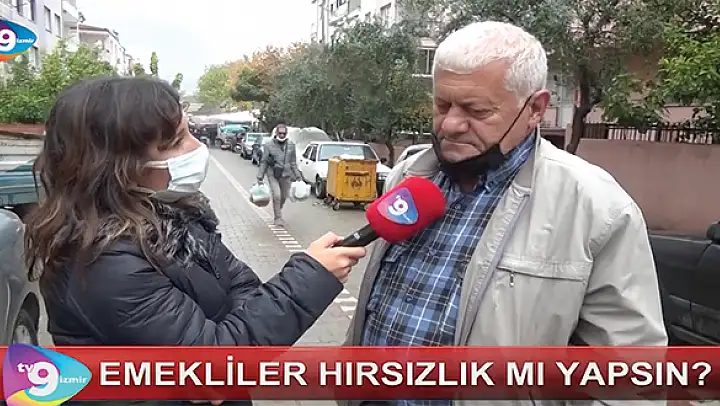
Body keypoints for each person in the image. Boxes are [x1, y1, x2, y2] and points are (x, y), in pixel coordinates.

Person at [341, 21, 667, 406]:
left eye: (476, 110)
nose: (450, 125)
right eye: (442, 105)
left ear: (535, 109)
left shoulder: (597, 208)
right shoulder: (408, 176)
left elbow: (629, 379)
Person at [24, 77, 365, 405]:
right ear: (116, 166)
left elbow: (244, 288)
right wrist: (311, 276)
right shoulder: (103, 262)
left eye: (189, 132)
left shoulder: (177, 216)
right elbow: (214, 371)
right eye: (175, 142)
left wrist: (225, 343)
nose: (197, 146)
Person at [256, 123, 302, 226]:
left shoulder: (291, 145)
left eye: (283, 133)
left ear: (286, 134)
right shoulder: (268, 145)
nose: (281, 135)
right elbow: (264, 161)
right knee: (277, 195)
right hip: (273, 174)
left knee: (283, 197)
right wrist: (260, 176)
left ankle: (278, 209)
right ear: (276, 133)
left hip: (286, 174)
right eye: (280, 133)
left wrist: (298, 175)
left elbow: (293, 162)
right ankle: (278, 218)